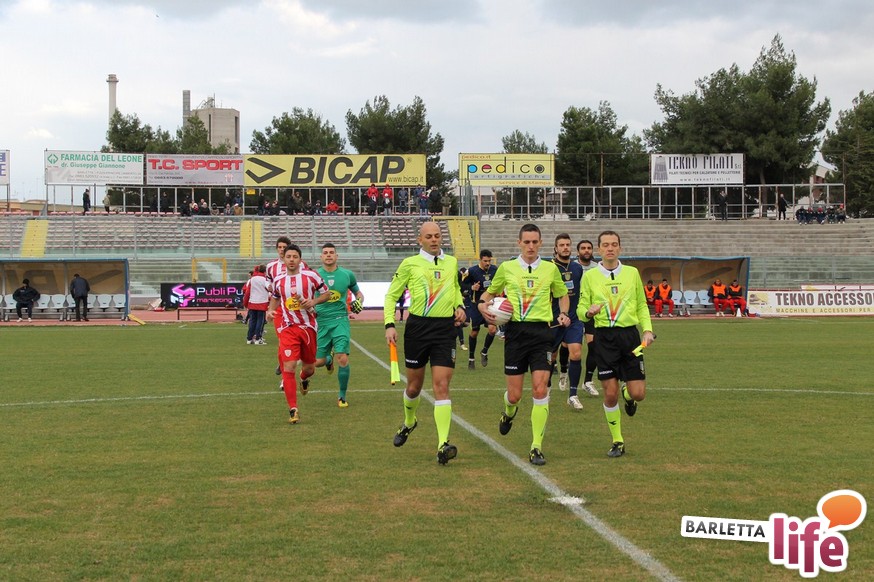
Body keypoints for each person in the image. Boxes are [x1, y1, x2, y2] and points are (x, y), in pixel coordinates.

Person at [478, 223, 570, 466]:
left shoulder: (550, 269)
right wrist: (482, 305)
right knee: (515, 395)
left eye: (534, 242)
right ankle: (509, 412)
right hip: (516, 334)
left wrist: (563, 313)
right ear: (519, 243)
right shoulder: (507, 268)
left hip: (542, 334)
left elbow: (562, 294)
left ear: (541, 243)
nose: (530, 246)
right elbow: (489, 294)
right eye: (526, 242)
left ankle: (536, 447)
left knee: (540, 390)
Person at [384, 221, 466, 465]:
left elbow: (455, 289)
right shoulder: (409, 263)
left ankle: (442, 445)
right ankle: (410, 422)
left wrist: (460, 306)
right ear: (420, 240)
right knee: (414, 388)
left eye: (437, 235)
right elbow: (392, 295)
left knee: (442, 385)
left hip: (444, 330)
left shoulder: (451, 262)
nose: (434, 240)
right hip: (418, 329)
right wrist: (389, 324)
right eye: (428, 236)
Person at [578, 230, 655, 458]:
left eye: (614, 244)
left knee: (638, 394)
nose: (610, 248)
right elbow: (580, 309)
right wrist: (588, 312)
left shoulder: (632, 273)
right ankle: (617, 441)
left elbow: (641, 305)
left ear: (620, 248)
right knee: (610, 395)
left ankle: (628, 394)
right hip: (604, 339)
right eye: (605, 245)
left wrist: (647, 330)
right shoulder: (590, 277)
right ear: (599, 249)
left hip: (630, 338)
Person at [266, 244, 331, 424]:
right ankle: (293, 409)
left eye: (295, 257)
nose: (291, 260)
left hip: (308, 327)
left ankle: (304, 378)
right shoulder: (279, 280)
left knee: (309, 368)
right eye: (288, 257)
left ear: (300, 259)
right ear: (284, 259)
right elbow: (276, 297)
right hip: (288, 328)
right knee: (289, 366)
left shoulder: (311, 276)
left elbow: (327, 294)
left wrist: (313, 301)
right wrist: (270, 311)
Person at [315, 243, 364, 407]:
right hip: (321, 321)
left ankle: (342, 396)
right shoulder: (314, 275)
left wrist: (360, 301)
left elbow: (358, 293)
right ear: (321, 257)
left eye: (331, 252)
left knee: (342, 357)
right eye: (325, 253)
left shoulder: (347, 275)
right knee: (318, 362)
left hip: (340, 319)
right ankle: (328, 360)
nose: (328, 255)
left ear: (337, 256)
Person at [548, 233, 591, 410]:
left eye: (568, 244)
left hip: (573, 318)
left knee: (576, 354)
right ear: (555, 248)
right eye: (562, 245)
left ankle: (573, 395)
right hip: (553, 319)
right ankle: (547, 388)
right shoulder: (549, 268)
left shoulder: (577, 268)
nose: (565, 248)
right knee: (551, 357)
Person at [463, 249, 498, 370]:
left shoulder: (495, 270)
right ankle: (471, 358)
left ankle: (484, 351)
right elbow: (462, 285)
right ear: (480, 260)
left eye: (489, 261)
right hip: (476, 305)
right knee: (474, 332)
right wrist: (472, 287)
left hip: (490, 305)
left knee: (493, 330)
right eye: (485, 261)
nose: (488, 263)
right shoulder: (472, 271)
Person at [576, 239, 599, 396]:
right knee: (571, 349)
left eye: (589, 248)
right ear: (578, 251)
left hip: (590, 312)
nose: (586, 250)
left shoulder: (597, 268)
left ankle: (588, 381)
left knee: (594, 347)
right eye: (583, 248)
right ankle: (563, 372)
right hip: (575, 312)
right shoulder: (572, 267)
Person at [243, 265, 269, 344]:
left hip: (252, 302)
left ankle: (249, 339)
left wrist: (245, 303)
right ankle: (258, 339)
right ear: (265, 271)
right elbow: (270, 288)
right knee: (260, 322)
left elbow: (247, 292)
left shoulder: (252, 279)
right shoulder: (265, 279)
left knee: (252, 321)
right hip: (262, 302)